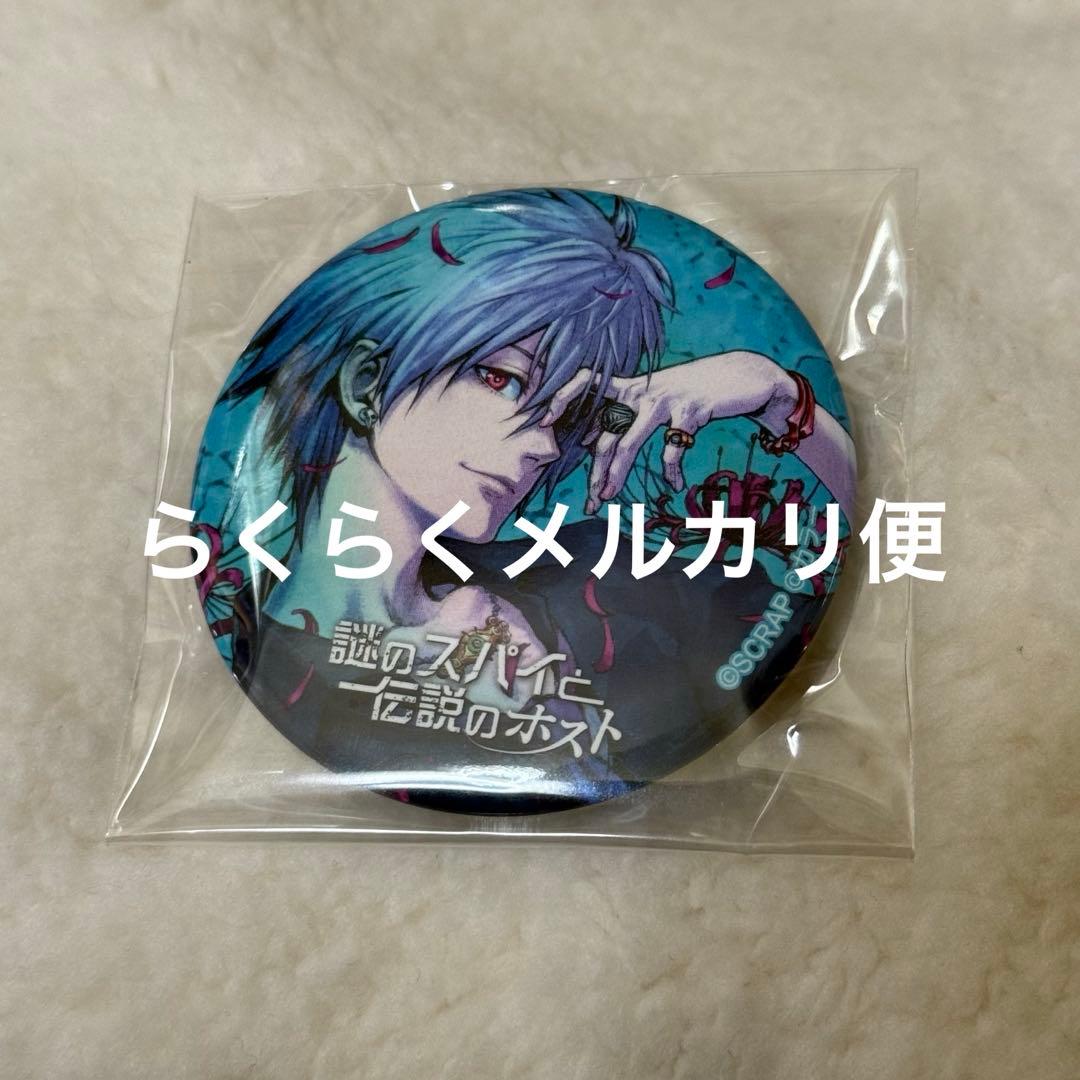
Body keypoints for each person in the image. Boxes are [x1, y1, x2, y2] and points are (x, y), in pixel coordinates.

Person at [196, 188, 856, 812]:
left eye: (565, 413)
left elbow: (822, 578)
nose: (543, 445)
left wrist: (775, 396)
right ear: (367, 384)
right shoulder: (266, 655)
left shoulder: (601, 579)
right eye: (502, 379)